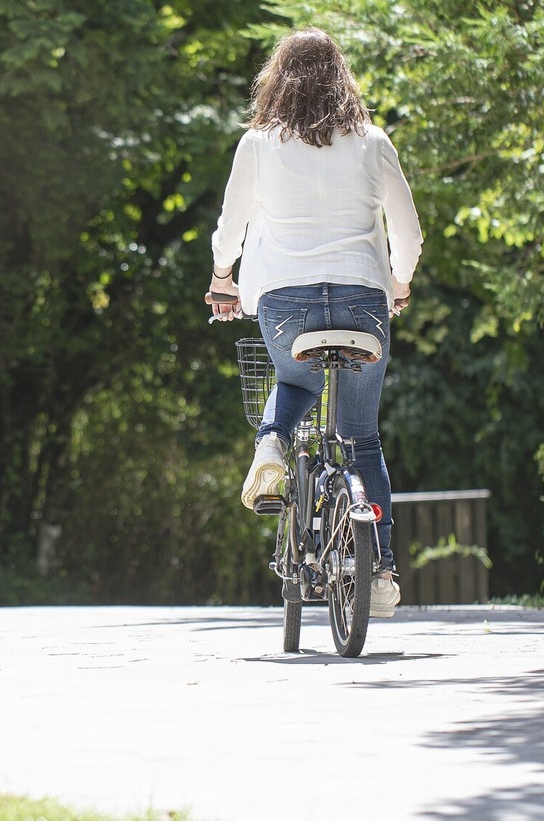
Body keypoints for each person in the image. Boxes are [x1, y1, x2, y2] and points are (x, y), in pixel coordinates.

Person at [207, 27, 422, 618]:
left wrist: (223, 278)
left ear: (276, 79)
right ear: (343, 80)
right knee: (362, 439)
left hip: (285, 302)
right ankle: (378, 573)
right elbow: (408, 232)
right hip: (362, 300)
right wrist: (398, 280)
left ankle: (272, 444)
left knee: (297, 382)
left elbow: (231, 225)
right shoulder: (374, 142)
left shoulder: (257, 144)